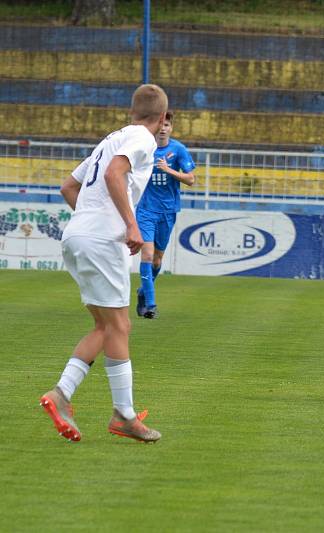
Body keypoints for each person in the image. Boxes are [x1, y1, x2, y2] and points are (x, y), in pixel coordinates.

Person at [39, 84, 167, 443]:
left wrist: (91, 221)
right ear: (161, 119)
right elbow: (114, 174)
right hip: (101, 240)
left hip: (76, 236)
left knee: (105, 326)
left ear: (132, 111)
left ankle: (62, 394)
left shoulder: (112, 138)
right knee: (120, 326)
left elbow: (68, 187)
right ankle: (123, 415)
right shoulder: (143, 139)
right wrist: (130, 224)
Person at [135, 110, 196, 319]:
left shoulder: (178, 150)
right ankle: (150, 305)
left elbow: (190, 179)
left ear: (171, 128)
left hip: (168, 210)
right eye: (160, 125)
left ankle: (143, 292)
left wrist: (169, 170)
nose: (163, 129)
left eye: (167, 126)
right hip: (145, 210)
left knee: (157, 260)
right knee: (148, 254)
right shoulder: (144, 148)